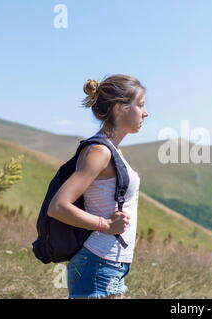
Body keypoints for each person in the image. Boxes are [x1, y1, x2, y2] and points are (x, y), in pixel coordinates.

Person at [48, 74, 149, 299]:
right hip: (97, 263)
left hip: (110, 264)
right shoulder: (99, 152)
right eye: (140, 105)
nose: (145, 112)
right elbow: (58, 206)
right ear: (119, 108)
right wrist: (105, 225)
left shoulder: (111, 151)